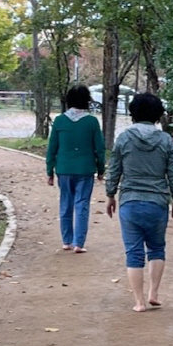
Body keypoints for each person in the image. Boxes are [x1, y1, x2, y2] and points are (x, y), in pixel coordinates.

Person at [105, 92, 173, 311]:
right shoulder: (165, 140)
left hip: (129, 202)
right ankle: (154, 293)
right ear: (158, 114)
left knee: (134, 252)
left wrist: (110, 195)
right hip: (157, 202)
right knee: (157, 248)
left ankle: (139, 302)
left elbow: (114, 170)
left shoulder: (124, 138)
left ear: (133, 113)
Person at [46, 84, 106, 253]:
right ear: (87, 101)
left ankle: (66, 241)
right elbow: (99, 148)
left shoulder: (59, 120)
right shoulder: (92, 122)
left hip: (63, 169)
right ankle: (79, 243)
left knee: (65, 203)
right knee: (82, 205)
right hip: (86, 169)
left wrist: (49, 171)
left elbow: (52, 148)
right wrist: (101, 169)